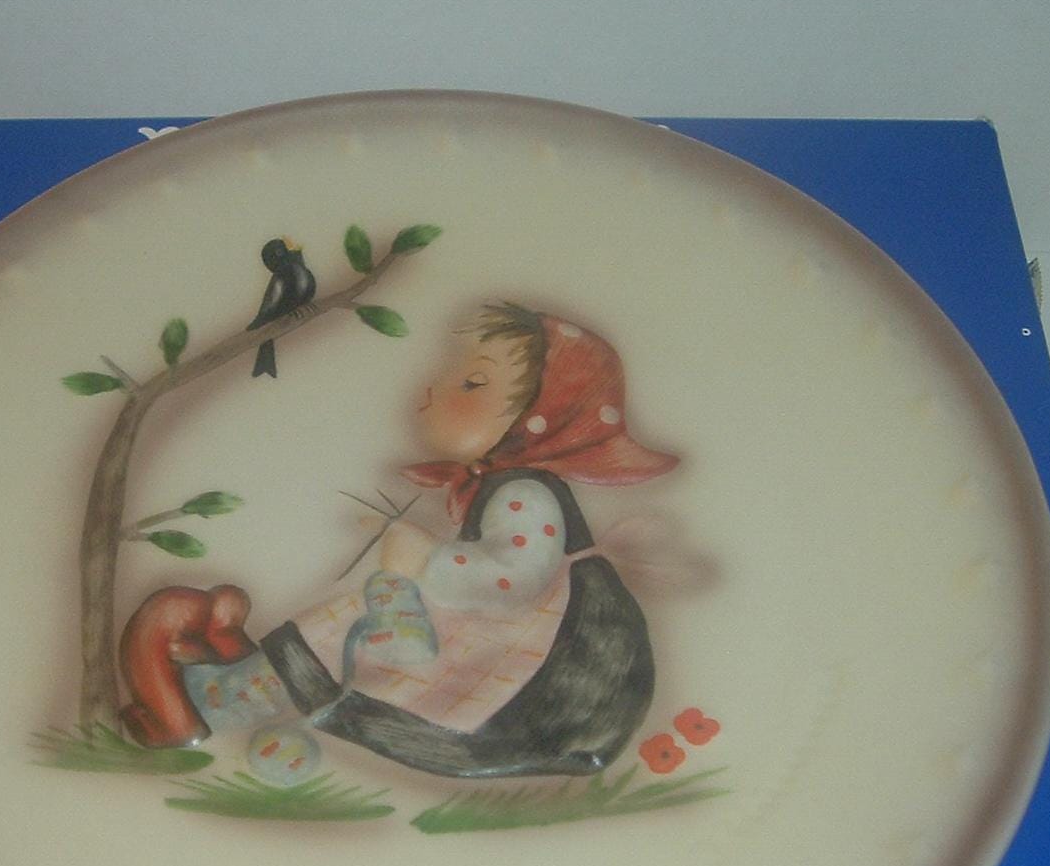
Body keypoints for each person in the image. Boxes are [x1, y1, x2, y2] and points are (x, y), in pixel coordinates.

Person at [120, 302, 678, 778]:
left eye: (473, 383)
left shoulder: (526, 493)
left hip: (546, 689)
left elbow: (513, 580)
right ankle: (237, 684)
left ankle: (216, 702)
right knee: (372, 620)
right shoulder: (509, 487)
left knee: (358, 621)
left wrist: (427, 560)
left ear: (541, 419)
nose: (434, 388)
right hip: (530, 661)